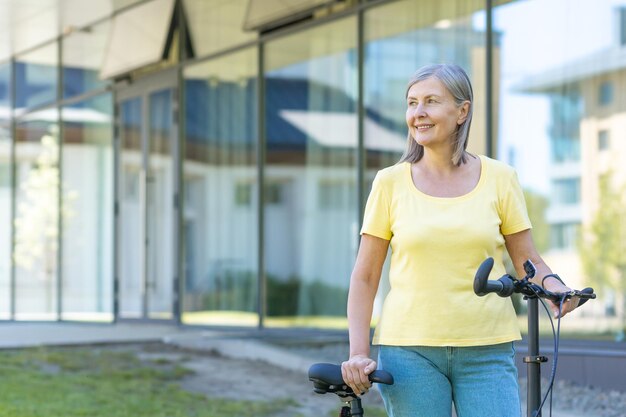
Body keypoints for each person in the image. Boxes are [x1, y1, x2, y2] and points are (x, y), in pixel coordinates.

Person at [340, 63, 581, 417]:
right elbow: (365, 276)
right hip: (410, 351)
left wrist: (556, 288)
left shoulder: (501, 178)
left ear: (462, 111)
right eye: (412, 103)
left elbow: (529, 262)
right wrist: (358, 352)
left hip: (487, 349)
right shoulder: (389, 183)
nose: (418, 113)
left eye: (431, 101)